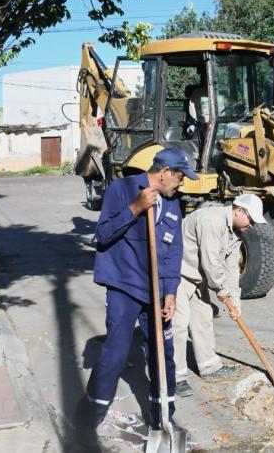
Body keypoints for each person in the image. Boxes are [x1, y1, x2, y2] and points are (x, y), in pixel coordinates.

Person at [78, 147, 198, 438]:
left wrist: (170, 293)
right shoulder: (122, 189)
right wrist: (136, 207)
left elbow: (172, 253)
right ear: (165, 172)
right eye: (180, 176)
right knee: (116, 352)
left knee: (163, 353)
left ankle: (163, 419)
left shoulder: (172, 204)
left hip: (156, 291)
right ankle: (88, 417)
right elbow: (104, 235)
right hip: (124, 286)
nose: (182, 182)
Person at [172, 194, 266, 397]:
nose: (252, 224)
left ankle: (209, 366)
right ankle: (176, 377)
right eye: (251, 218)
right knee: (179, 325)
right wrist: (222, 292)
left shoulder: (235, 232)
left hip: (198, 277)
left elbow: (231, 268)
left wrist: (235, 301)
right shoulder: (211, 221)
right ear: (238, 210)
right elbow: (211, 263)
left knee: (203, 318)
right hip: (177, 273)